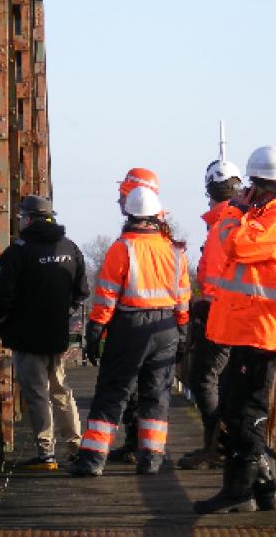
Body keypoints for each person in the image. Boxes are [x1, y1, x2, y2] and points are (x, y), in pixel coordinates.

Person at [194, 146, 276, 514]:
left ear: (261, 185)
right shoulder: (273, 213)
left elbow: (236, 245)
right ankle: (262, 489)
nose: (246, 192)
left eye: (251, 187)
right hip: (253, 325)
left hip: (265, 326)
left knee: (245, 411)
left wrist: (235, 212)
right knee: (235, 404)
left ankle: (240, 492)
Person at [71, 186, 191, 476]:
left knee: (113, 391)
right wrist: (183, 330)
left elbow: (107, 295)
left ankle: (92, 460)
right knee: (156, 394)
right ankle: (151, 457)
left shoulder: (122, 248)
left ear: (129, 214)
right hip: (166, 327)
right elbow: (183, 296)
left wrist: (96, 328)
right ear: (156, 215)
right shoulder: (174, 250)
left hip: (131, 326)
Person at [0, 195, 89, 470]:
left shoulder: (17, 252)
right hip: (57, 334)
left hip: (26, 336)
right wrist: (63, 311)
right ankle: (76, 447)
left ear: (27, 218)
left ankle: (46, 453)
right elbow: (82, 291)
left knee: (37, 393)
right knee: (61, 390)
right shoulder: (70, 248)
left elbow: (4, 297)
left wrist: (4, 324)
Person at [177, 157, 243, 470]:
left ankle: (217, 447)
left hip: (222, 316)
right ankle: (220, 445)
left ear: (209, 190)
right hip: (239, 313)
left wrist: (204, 305)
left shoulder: (222, 224)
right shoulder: (242, 219)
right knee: (223, 379)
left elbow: (216, 277)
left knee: (203, 377)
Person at [108, 167, 161, 464]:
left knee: (138, 387)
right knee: (151, 390)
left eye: (123, 194)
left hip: (134, 321)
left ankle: (140, 447)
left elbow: (111, 288)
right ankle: (144, 449)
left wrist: (99, 324)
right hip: (160, 324)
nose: (118, 199)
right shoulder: (162, 237)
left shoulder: (132, 241)